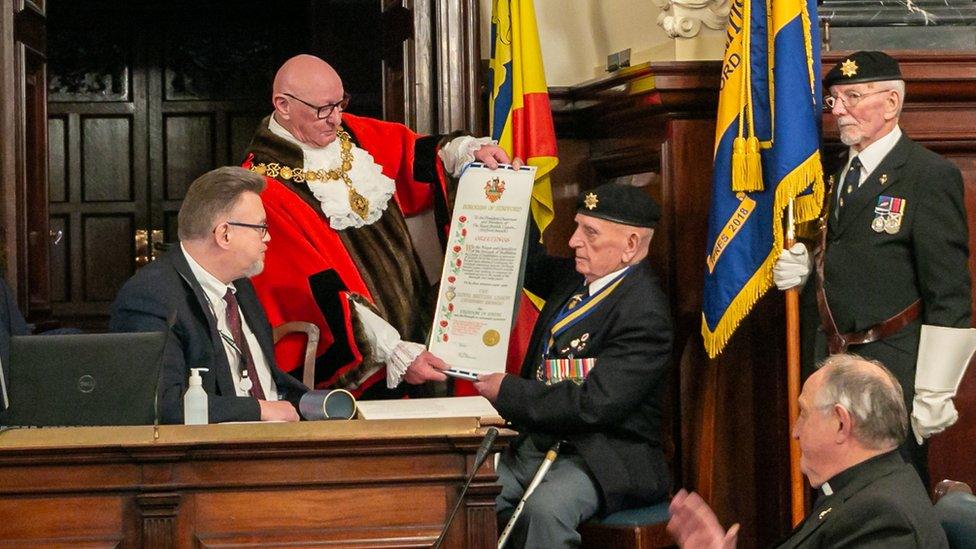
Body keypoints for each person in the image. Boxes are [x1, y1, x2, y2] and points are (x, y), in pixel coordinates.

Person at [242, 54, 514, 399]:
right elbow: (314, 290)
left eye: (340, 104)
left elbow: (416, 153)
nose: (336, 119)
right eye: (324, 109)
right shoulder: (261, 188)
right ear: (282, 105)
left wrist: (468, 150)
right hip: (369, 367)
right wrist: (393, 349)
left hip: (421, 333)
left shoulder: (352, 134)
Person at [772, 50, 976, 481]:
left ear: (891, 103)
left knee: (890, 493)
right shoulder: (834, 173)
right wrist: (808, 266)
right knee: (829, 489)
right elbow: (853, 252)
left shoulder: (926, 175)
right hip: (831, 361)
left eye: (852, 97)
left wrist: (935, 389)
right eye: (834, 100)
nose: (838, 110)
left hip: (892, 367)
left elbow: (949, 291)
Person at [473, 183, 672, 548]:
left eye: (589, 232)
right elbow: (529, 263)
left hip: (602, 454)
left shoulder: (644, 311)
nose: (573, 241)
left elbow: (596, 404)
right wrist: (504, 187)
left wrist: (508, 392)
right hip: (538, 442)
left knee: (545, 511)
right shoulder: (578, 277)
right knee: (465, 493)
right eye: (577, 226)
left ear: (630, 245)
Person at [668, 354, 949, 548]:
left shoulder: (883, 517)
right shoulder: (863, 490)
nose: (795, 431)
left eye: (804, 413)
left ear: (841, 423)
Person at [110, 167, 308, 424]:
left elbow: (269, 379)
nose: (267, 237)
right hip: (216, 455)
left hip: (275, 438)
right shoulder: (150, 297)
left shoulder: (240, 286)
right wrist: (260, 410)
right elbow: (161, 404)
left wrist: (318, 403)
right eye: (261, 227)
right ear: (224, 234)